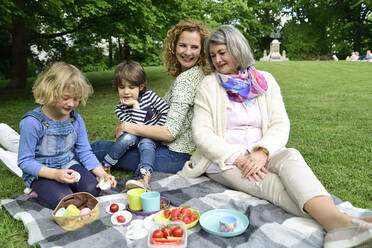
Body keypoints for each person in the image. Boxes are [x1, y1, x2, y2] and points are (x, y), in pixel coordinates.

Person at [178, 25, 372, 248]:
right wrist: (239, 158)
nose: (218, 60)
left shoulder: (265, 80)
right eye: (213, 55)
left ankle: (342, 226)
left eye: (223, 52)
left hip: (262, 151)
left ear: (238, 49)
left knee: (291, 156)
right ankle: (343, 223)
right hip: (225, 160)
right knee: (270, 184)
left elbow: (280, 123)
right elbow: (202, 133)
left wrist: (262, 151)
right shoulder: (208, 85)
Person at [91, 19, 210, 190]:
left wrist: (127, 126)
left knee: (98, 148)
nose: (188, 52)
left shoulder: (186, 80)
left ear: (202, 50)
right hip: (175, 151)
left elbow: (169, 133)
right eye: (183, 45)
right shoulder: (196, 74)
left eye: (194, 47)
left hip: (175, 156)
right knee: (119, 145)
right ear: (173, 46)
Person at [18, 62, 117, 209]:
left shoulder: (75, 119)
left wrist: (102, 174)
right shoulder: (32, 122)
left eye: (76, 99)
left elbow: (85, 152)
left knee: (92, 190)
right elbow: (25, 161)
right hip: (42, 172)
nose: (71, 103)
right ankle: (37, 190)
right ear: (50, 91)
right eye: (66, 97)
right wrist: (55, 174)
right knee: (65, 201)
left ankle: (61, 188)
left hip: (68, 164)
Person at [102, 61, 169, 190]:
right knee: (128, 138)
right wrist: (135, 106)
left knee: (146, 143)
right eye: (122, 87)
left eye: (131, 87)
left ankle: (144, 176)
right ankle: (107, 164)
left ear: (141, 86)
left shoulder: (150, 96)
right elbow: (134, 129)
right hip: (134, 136)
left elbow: (166, 111)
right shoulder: (119, 108)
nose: (126, 92)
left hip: (152, 135)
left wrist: (156, 128)